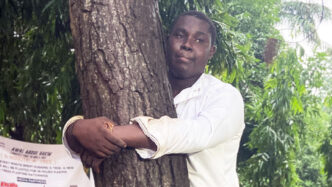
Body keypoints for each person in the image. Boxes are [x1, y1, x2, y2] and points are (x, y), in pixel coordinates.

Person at [63, 10, 245, 187]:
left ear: (211, 51)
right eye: (180, 35)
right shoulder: (141, 87)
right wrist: (76, 130)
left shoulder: (225, 96)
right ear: (167, 40)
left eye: (199, 40)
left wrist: (109, 136)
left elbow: (195, 133)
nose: (187, 44)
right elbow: (87, 136)